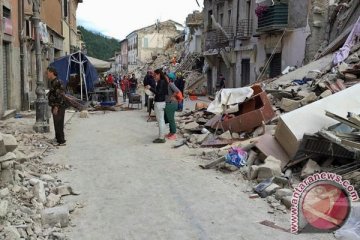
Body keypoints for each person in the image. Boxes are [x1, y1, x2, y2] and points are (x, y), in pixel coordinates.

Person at [47, 66, 67, 146]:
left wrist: (56, 106)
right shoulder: (53, 82)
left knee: (59, 123)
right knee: (57, 123)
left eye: (47, 73)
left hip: (58, 106)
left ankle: (61, 141)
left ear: (52, 72)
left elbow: (60, 95)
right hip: (56, 105)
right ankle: (58, 138)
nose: (47, 75)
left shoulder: (58, 82)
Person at [147, 68, 168, 143]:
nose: (154, 77)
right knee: (161, 120)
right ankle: (161, 136)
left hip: (159, 103)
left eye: (155, 75)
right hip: (161, 102)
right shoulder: (163, 81)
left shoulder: (161, 82)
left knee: (160, 121)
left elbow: (158, 92)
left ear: (159, 74)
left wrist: (150, 88)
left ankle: (161, 138)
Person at [164, 72, 181, 140]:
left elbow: (177, 91)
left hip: (172, 104)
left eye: (166, 77)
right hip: (169, 103)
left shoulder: (170, 84)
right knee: (168, 118)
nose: (165, 78)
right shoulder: (167, 84)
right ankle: (171, 132)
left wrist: (172, 96)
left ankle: (173, 133)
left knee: (171, 119)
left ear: (170, 78)